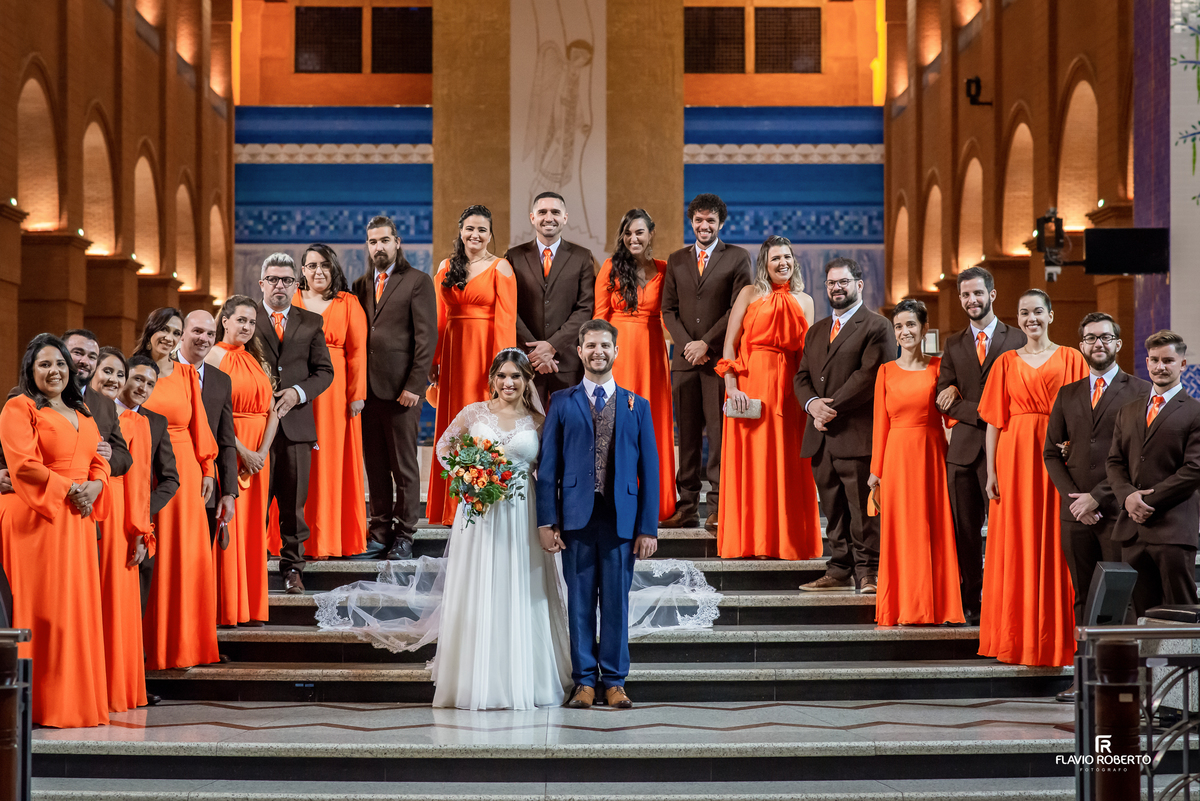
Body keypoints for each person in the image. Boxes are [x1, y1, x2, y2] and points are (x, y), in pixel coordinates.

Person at [431, 349, 572, 709]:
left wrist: (552, 520)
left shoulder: (539, 421)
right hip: (480, 513)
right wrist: (467, 474)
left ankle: (527, 678)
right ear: (493, 378)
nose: (508, 383)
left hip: (522, 512)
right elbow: (444, 446)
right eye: (502, 376)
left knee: (522, 586)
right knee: (479, 585)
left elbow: (550, 471)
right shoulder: (474, 412)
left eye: (516, 377)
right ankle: (474, 680)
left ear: (528, 381)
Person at [537, 320, 659, 710]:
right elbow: (548, 467)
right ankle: (585, 682)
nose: (598, 352)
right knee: (580, 603)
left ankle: (615, 681)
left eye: (605, 345)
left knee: (617, 605)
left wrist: (648, 527)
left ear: (616, 351)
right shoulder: (562, 401)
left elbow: (651, 471)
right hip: (576, 518)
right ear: (579, 350)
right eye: (591, 346)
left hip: (621, 520)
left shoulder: (637, 405)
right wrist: (546, 520)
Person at [0, 334, 111, 727]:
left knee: (74, 610)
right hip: (37, 517)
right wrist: (71, 490)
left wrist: (94, 488)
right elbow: (24, 465)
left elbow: (99, 460)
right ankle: (40, 704)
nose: (55, 371)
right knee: (42, 608)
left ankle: (73, 702)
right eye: (45, 364)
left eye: (60, 364)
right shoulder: (20, 407)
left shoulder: (82, 412)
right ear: (31, 369)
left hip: (76, 517)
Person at [978, 289, 1088, 667]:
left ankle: (1055, 637)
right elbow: (993, 421)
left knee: (1059, 542)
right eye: (1024, 313)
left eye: (1038, 312)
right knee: (1016, 542)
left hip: (1059, 458)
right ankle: (1015, 636)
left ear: (1051, 315)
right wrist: (991, 470)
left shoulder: (1073, 357)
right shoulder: (1005, 362)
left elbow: (1086, 417)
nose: (1031, 319)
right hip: (1013, 457)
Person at [715, 235, 821, 559]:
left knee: (788, 464)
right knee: (755, 464)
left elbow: (810, 354)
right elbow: (730, 344)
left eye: (787, 257)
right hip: (751, 389)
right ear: (764, 263)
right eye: (776, 258)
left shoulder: (806, 301)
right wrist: (732, 386)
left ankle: (787, 541)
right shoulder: (749, 294)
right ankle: (754, 541)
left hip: (790, 391)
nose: (783, 263)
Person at [794, 257, 895, 593]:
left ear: (859, 285)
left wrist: (828, 408)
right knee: (833, 508)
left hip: (855, 434)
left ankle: (868, 572)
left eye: (843, 282)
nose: (836, 288)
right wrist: (811, 405)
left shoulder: (877, 326)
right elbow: (803, 376)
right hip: (821, 438)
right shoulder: (817, 330)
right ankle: (839, 568)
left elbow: (868, 377)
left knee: (860, 509)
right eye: (831, 283)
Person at [1044, 314, 1150, 627]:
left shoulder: (1140, 391)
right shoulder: (1068, 393)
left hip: (1117, 511)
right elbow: (1051, 453)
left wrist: (1097, 498)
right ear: (1081, 346)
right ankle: (1086, 673)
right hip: (1075, 515)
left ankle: (1122, 674)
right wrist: (1075, 501)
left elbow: (1139, 457)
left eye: (1105, 337)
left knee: (1122, 596)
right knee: (1083, 596)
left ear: (1117, 343)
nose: (1098, 343)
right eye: (1091, 338)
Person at [935, 267, 1027, 625]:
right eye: (965, 295)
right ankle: (971, 602)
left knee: (1008, 532)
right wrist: (989, 411)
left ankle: (1008, 600)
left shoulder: (1018, 339)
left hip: (1006, 450)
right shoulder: (954, 343)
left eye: (977, 293)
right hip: (962, 453)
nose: (971, 300)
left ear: (992, 294)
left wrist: (972, 406)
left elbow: (1019, 397)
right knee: (964, 532)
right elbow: (942, 397)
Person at [867, 300, 964, 626]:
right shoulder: (885, 371)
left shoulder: (940, 368)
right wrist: (875, 471)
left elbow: (951, 417)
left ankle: (935, 606)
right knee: (901, 532)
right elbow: (881, 423)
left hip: (932, 456)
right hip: (896, 458)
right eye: (899, 326)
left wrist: (954, 390)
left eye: (911, 325)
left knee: (932, 528)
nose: (904, 331)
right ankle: (902, 606)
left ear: (924, 329)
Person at [135, 308, 221, 671]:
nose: (169, 337)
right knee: (153, 559)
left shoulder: (186, 373)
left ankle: (185, 646)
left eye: (175, 331)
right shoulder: (133, 370)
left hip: (184, 471)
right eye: (163, 330)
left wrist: (207, 469)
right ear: (151, 331)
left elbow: (199, 423)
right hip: (145, 469)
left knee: (187, 560)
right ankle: (149, 648)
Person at [663, 194, 753, 531]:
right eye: (699, 220)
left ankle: (716, 507)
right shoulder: (676, 260)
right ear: (692, 222)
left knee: (718, 436)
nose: (704, 226)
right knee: (685, 437)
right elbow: (668, 309)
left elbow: (737, 309)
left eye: (711, 221)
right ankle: (686, 507)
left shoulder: (737, 258)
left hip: (719, 362)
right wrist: (688, 345)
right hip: (685, 362)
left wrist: (707, 343)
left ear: (721, 223)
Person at [352, 216, 437, 560]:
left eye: (385, 240)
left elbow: (426, 337)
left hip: (403, 391)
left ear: (397, 242)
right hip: (367, 393)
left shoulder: (417, 281)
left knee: (404, 467)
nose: (379, 247)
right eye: (373, 242)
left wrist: (415, 384)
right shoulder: (359, 286)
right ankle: (380, 530)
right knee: (375, 465)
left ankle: (405, 534)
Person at [427, 205, 517, 526]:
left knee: (481, 421)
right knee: (453, 422)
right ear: (461, 231)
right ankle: (449, 506)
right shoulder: (446, 267)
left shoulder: (501, 268)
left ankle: (479, 499)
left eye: (482, 230)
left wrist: (501, 370)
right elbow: (438, 318)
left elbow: (506, 323)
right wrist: (433, 360)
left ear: (490, 234)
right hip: (452, 354)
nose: (475, 235)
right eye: (469, 229)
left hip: (484, 356)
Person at [252, 253, 334, 593]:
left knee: (293, 506)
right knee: (253, 505)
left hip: (297, 426)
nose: (280, 285)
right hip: (255, 428)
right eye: (273, 279)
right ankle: (249, 568)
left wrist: (298, 393)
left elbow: (324, 372)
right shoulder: (246, 317)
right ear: (261, 283)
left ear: (295, 284)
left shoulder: (310, 321)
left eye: (286, 280)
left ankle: (292, 569)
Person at [1108, 330, 1200, 617]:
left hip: (1173, 529)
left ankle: (1186, 664)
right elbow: (1114, 462)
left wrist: (1147, 501)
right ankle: (1145, 664)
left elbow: (1195, 469)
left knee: (1182, 615)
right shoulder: (1128, 411)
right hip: (1133, 532)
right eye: (1155, 360)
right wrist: (1127, 498)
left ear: (1182, 364)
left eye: (1169, 360)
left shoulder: (1195, 412)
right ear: (1147, 362)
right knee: (1141, 615)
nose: (1161, 367)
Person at [593, 209, 676, 522]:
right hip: (619, 356)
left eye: (639, 232)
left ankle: (657, 500)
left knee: (653, 424)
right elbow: (599, 317)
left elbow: (671, 314)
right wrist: (600, 360)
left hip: (653, 355)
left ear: (650, 234)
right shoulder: (611, 268)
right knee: (618, 424)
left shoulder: (664, 269)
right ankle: (616, 498)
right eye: (628, 233)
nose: (633, 239)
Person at [292, 244, 368, 558]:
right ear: (303, 270)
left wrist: (357, 394)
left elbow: (358, 351)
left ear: (334, 268)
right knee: (299, 464)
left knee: (332, 464)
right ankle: (297, 538)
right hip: (298, 391)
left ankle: (332, 538)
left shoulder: (348, 302)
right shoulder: (292, 300)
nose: (318, 271)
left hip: (337, 396)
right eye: (311, 266)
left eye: (324, 265)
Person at [208, 296, 280, 626]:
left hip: (258, 455)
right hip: (231, 450)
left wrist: (262, 451)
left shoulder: (256, 359)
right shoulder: (214, 355)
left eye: (252, 322)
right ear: (225, 320)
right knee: (230, 527)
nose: (247, 327)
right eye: (241, 320)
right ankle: (227, 606)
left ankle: (249, 606)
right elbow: (213, 415)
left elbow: (272, 411)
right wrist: (242, 452)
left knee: (254, 529)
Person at [91, 349, 151, 712]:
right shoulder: (81, 405)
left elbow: (137, 476)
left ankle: (112, 686)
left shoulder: (131, 420)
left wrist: (142, 529)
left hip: (116, 516)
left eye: (118, 373)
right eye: (107, 371)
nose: (113, 379)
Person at [0, 331, 132, 497]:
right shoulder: (22, 397)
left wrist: (104, 466)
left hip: (86, 501)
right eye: (77, 353)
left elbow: (124, 457)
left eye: (92, 356)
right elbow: (8, 450)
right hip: (39, 496)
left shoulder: (105, 405)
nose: (84, 361)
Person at [504, 191, 597, 406]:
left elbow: (585, 308)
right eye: (542, 212)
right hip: (526, 362)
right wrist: (536, 352)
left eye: (555, 212)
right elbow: (509, 308)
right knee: (527, 431)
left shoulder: (582, 256)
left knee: (568, 429)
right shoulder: (514, 256)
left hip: (566, 360)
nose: (549, 217)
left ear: (565, 217)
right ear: (532, 217)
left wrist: (552, 346)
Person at [114, 355, 179, 640]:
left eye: (150, 383)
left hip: (137, 527)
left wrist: (141, 511)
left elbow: (170, 479)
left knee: (134, 607)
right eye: (138, 379)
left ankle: (134, 678)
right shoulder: (96, 411)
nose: (143, 387)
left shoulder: (156, 422)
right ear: (123, 377)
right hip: (100, 521)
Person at [177, 311, 238, 546]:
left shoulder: (221, 380)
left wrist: (229, 493)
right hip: (167, 480)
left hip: (207, 484)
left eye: (210, 333)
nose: (204, 338)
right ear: (182, 335)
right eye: (197, 331)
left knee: (200, 551)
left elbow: (226, 440)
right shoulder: (160, 372)